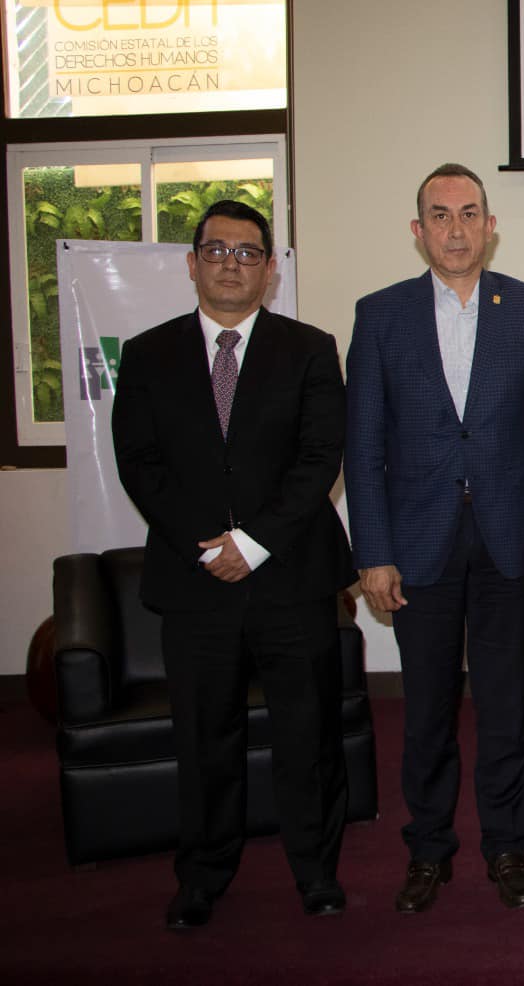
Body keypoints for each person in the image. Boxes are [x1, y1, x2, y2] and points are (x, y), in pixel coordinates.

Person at [111, 200, 355, 928]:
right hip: (195, 583)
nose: (231, 264)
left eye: (249, 253)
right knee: (203, 736)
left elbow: (319, 461)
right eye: (216, 251)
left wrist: (251, 544)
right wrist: (210, 544)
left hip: (290, 578)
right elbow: (140, 464)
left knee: (306, 736)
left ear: (270, 269)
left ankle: (316, 873)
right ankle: (203, 876)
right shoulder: (149, 354)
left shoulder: (310, 349)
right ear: (192, 264)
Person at [345, 163, 524, 913]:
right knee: (427, 711)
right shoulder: (380, 315)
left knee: (505, 709)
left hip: (511, 542)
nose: (454, 228)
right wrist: (373, 552)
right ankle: (429, 851)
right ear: (419, 232)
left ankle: (508, 849)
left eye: (468, 213)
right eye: (439, 215)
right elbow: (364, 448)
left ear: (489, 225)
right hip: (419, 544)